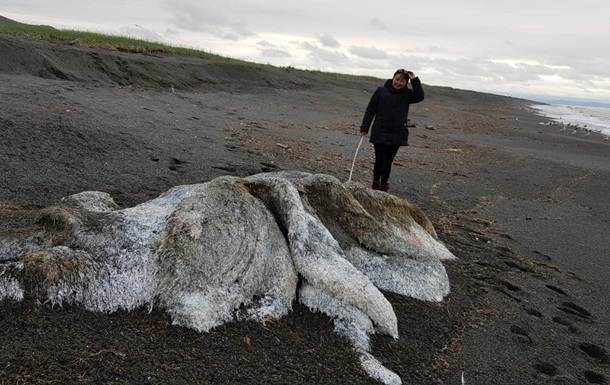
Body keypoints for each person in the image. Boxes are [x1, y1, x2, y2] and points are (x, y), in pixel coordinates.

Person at [359, 69, 424, 192]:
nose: (399, 83)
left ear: (406, 83)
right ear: (393, 78)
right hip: (380, 131)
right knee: (380, 160)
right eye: (397, 79)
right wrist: (364, 128)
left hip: (397, 132)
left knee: (388, 161)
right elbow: (370, 110)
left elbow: (420, 96)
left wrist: (414, 79)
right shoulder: (381, 91)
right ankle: (375, 184)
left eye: (403, 81)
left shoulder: (408, 94)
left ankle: (384, 185)